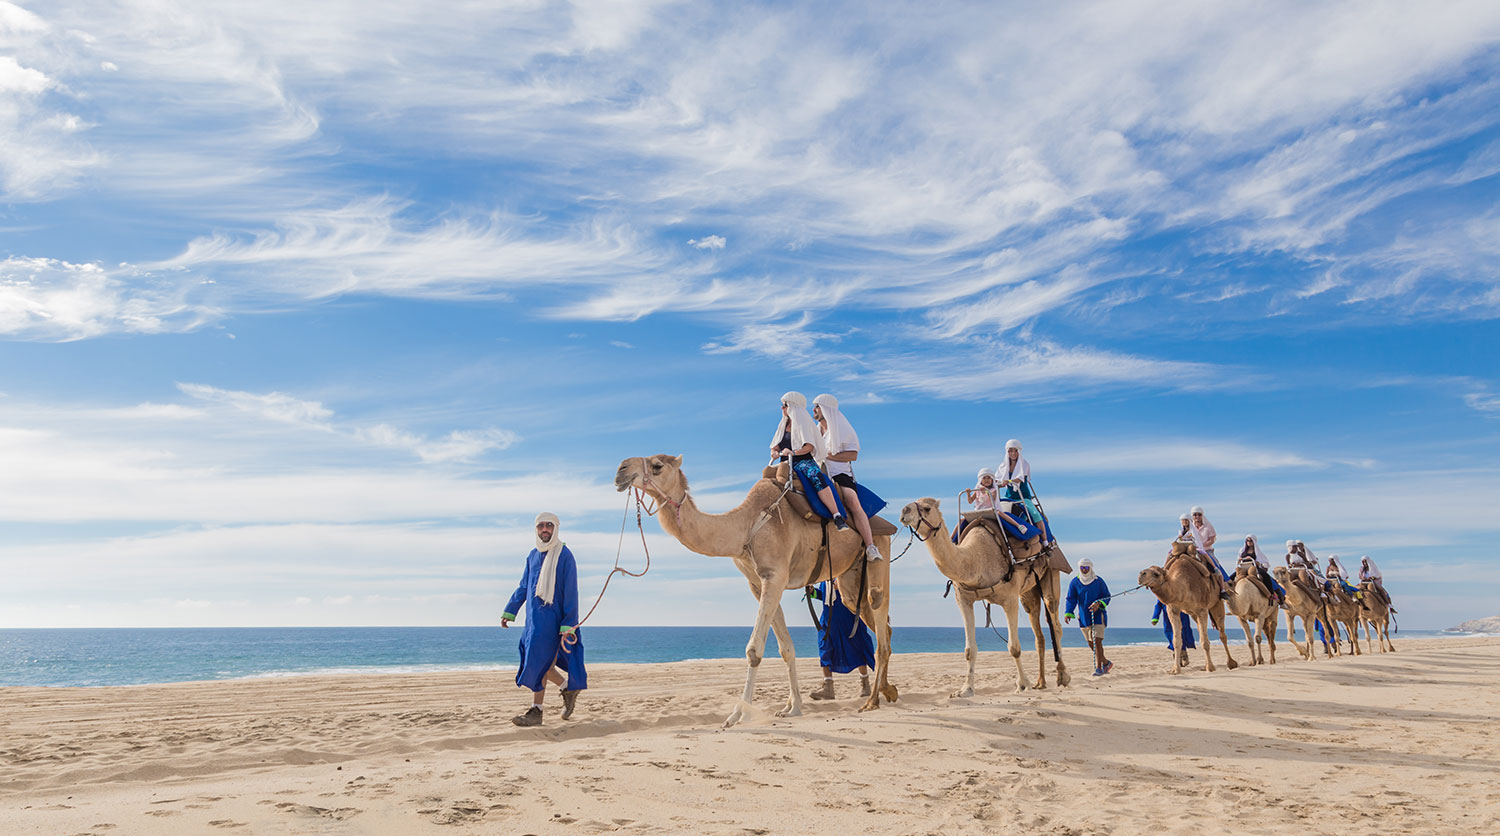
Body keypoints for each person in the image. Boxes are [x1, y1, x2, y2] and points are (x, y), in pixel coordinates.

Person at [501, 512, 586, 726]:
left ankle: (536, 711)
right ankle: (567, 688)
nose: (545, 529)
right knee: (542, 665)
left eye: (549, 525)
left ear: (556, 528)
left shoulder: (565, 555)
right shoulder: (532, 555)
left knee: (539, 664)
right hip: (533, 622)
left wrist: (569, 624)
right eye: (541, 526)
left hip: (555, 621)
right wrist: (509, 611)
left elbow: (571, 591)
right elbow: (523, 587)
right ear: (536, 529)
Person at [812, 394, 882, 561]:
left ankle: (871, 546)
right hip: (819, 473)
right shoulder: (815, 430)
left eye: (817, 407)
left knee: (852, 501)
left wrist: (827, 456)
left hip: (839, 474)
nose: (814, 410)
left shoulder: (843, 429)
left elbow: (853, 455)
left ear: (826, 409)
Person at [769, 392, 847, 531]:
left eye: (785, 405)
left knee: (815, 477)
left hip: (802, 461)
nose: (782, 408)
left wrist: (793, 452)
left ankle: (836, 515)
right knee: (766, 477)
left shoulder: (803, 423)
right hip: (784, 462)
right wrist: (774, 453)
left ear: (793, 406)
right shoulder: (783, 425)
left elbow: (809, 446)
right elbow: (775, 445)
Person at [807, 581, 875, 700]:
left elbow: (861, 593)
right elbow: (823, 596)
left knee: (857, 649)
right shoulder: (825, 578)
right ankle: (828, 689)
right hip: (829, 621)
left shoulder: (847, 573)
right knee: (825, 650)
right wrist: (812, 592)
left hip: (849, 618)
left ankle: (865, 685)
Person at [997, 439, 1053, 544]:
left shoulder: (1024, 464)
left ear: (1019, 451)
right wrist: (998, 483)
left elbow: (1020, 478)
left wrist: (1008, 481)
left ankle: (1045, 539)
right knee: (997, 511)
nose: (1013, 453)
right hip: (1009, 496)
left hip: (1022, 496)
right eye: (1010, 451)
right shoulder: (1003, 466)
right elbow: (998, 479)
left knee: (1035, 514)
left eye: (1015, 451)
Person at [1064, 558, 1112, 676]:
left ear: (1091, 568)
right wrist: (1068, 612)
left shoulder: (1098, 581)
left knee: (1097, 641)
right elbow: (1071, 598)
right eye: (1082, 568)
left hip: (1098, 616)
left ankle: (1099, 668)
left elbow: (1107, 596)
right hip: (1084, 617)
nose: (1084, 570)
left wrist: (1098, 604)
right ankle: (1106, 663)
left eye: (1086, 568)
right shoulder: (1075, 582)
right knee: (1091, 643)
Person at [1185, 508, 1231, 599]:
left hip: (1206, 550)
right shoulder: (1190, 527)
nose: (1197, 517)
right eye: (1195, 515)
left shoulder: (1208, 526)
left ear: (1202, 515)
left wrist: (1202, 545)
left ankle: (1223, 589)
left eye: (1199, 514)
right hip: (1193, 550)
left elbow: (1212, 539)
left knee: (1215, 566)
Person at [1238, 534, 1286, 605]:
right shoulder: (1242, 551)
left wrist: (1258, 563)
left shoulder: (1257, 552)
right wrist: (1240, 560)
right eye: (1247, 540)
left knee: (1265, 576)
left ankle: (1272, 594)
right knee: (1232, 577)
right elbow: (1238, 560)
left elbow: (1263, 562)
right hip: (1244, 567)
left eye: (1251, 540)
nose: (1249, 542)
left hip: (1254, 568)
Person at [1151, 599, 1196, 667]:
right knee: (1170, 635)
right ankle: (1177, 655)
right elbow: (1158, 605)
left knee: (1182, 634)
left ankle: (1183, 655)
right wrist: (1155, 617)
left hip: (1181, 615)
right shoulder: (1163, 593)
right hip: (1168, 618)